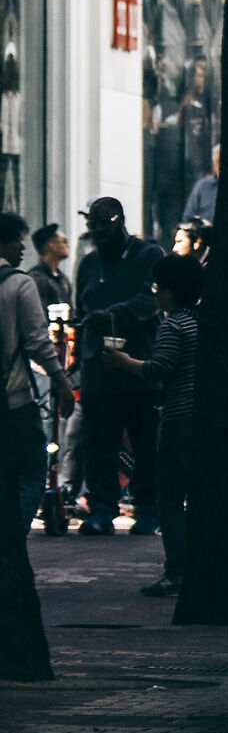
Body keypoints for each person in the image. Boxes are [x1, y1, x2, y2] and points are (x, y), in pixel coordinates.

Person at [99, 254, 201, 598]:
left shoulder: (172, 325)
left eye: (159, 289)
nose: (156, 295)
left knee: (169, 499)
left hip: (178, 420)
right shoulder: (201, 322)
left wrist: (124, 361)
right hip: (202, 420)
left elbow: (159, 369)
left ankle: (176, 572)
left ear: (170, 292)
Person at [72, 198, 165, 534]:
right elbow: (79, 304)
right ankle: (101, 509)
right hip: (98, 372)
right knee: (99, 445)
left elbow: (152, 299)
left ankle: (147, 508)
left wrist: (113, 316)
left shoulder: (149, 256)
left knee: (145, 445)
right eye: (91, 225)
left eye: (102, 224)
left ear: (119, 221)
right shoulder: (88, 264)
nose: (96, 231)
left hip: (139, 370)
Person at [1, 213, 73, 532]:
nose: (22, 247)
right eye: (18, 239)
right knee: (31, 469)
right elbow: (37, 343)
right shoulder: (19, 283)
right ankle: (13, 537)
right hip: (14, 400)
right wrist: (60, 380)